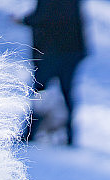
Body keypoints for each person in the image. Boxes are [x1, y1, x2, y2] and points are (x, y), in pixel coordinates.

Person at [15, 0, 88, 146]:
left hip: (50, 51)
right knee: (66, 92)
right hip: (72, 49)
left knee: (39, 91)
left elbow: (43, 17)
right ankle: (69, 135)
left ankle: (30, 133)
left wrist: (23, 20)